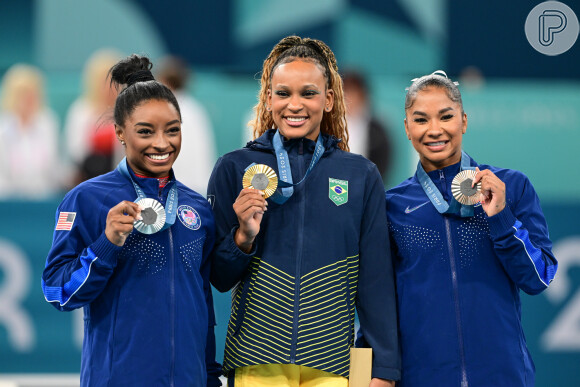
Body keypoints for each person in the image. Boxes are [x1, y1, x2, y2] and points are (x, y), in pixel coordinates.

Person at [208, 36, 400, 386]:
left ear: (328, 100)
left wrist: (384, 368)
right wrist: (243, 238)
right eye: (283, 93)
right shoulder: (235, 168)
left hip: (331, 363)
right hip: (256, 359)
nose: (294, 105)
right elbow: (219, 278)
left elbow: (375, 279)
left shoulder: (360, 175)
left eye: (308, 93)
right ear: (268, 99)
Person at [41, 54, 221, 386]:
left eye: (172, 130)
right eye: (145, 131)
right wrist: (105, 244)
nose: (161, 143)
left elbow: (204, 308)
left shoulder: (197, 209)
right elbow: (56, 290)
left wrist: (209, 377)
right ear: (120, 133)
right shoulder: (87, 200)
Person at [386, 70, 557, 386]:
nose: (435, 130)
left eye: (446, 117)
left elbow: (540, 278)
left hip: (502, 375)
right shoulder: (392, 205)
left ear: (463, 121)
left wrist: (502, 219)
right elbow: (379, 302)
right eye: (421, 120)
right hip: (423, 378)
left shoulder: (511, 187)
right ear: (407, 128)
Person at [156, 55, 217, 196]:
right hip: (196, 191)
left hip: (174, 191)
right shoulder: (196, 110)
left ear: (164, 81)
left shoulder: (164, 111)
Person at [0, 64, 63, 199]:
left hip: (44, 196)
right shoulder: (3, 128)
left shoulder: (48, 123)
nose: (28, 99)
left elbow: (53, 168)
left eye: (32, 94)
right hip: (9, 201)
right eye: (23, 94)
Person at [63, 49, 123, 185]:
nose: (109, 87)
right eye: (104, 81)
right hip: (86, 179)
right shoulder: (80, 110)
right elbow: (74, 151)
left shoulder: (128, 112)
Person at [342, 70, 392, 183]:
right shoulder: (327, 127)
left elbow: (382, 160)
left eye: (354, 94)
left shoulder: (376, 130)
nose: (349, 100)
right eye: (346, 94)